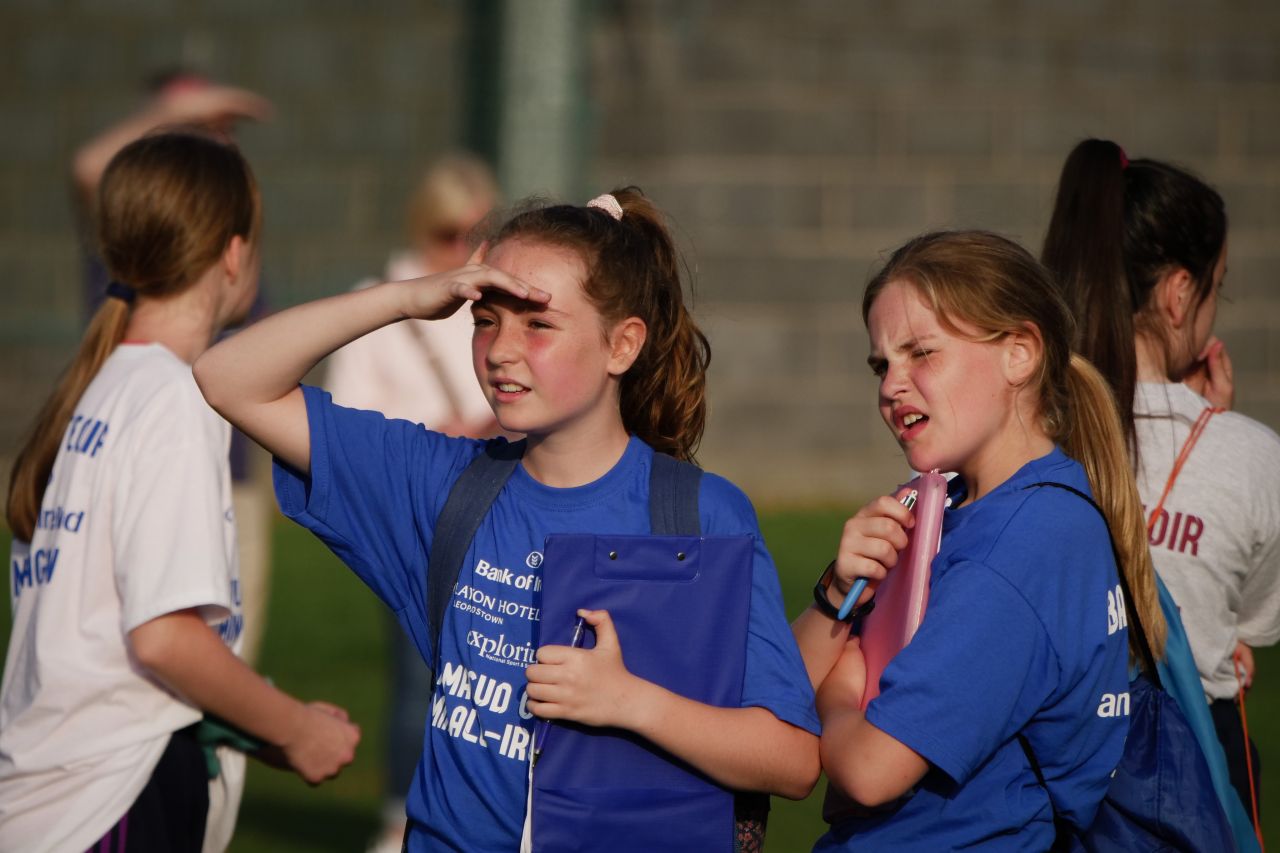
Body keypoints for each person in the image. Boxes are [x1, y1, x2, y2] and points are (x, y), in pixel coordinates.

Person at [193, 187, 822, 850]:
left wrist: (628, 701)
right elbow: (227, 375)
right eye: (485, 320)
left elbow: (791, 758)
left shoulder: (700, 514)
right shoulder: (441, 484)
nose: (500, 350)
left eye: (537, 324)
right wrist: (408, 296)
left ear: (622, 345)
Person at [0, 131, 360, 853]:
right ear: (233, 254)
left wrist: (259, 729)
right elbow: (163, 638)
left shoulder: (103, 387)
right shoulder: (172, 397)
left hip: (61, 795)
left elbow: (104, 652)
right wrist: (299, 728)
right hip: (108, 799)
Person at [794, 231, 1160, 850]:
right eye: (883, 364)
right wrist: (836, 593)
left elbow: (870, 770)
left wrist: (839, 695)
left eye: (921, 353)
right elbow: (773, 697)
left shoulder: (1023, 544)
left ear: (1020, 354)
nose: (891, 386)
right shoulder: (952, 508)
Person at [1042, 137, 1280, 819]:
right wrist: (1217, 430)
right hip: (1192, 771)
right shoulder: (1254, 455)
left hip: (1054, 765)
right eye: (1217, 286)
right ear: (1180, 295)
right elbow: (1246, 626)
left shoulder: (1033, 430)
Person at [323, 153, 501, 853]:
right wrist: (435, 435)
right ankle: (401, 813)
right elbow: (348, 423)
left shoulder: (492, 297)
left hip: (491, 499)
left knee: (489, 667)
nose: (468, 247)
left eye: (481, 230)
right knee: (417, 668)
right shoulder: (381, 296)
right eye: (456, 232)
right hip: (414, 513)